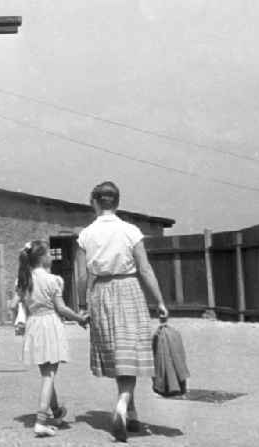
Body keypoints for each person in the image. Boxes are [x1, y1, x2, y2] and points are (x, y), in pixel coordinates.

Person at [76, 181, 169, 443]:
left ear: (94, 202)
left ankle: (132, 412)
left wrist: (83, 305)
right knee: (129, 351)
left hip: (101, 292)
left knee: (119, 354)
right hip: (128, 289)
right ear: (117, 202)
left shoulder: (86, 235)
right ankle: (122, 405)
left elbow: (82, 275)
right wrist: (160, 301)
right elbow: (145, 269)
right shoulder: (130, 231)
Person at [10, 239, 90, 438]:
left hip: (34, 326)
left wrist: (19, 319)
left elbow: (13, 304)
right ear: (44, 258)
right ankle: (40, 421)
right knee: (49, 376)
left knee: (46, 372)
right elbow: (61, 308)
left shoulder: (23, 280)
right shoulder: (53, 280)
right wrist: (80, 318)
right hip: (49, 326)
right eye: (49, 254)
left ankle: (55, 411)